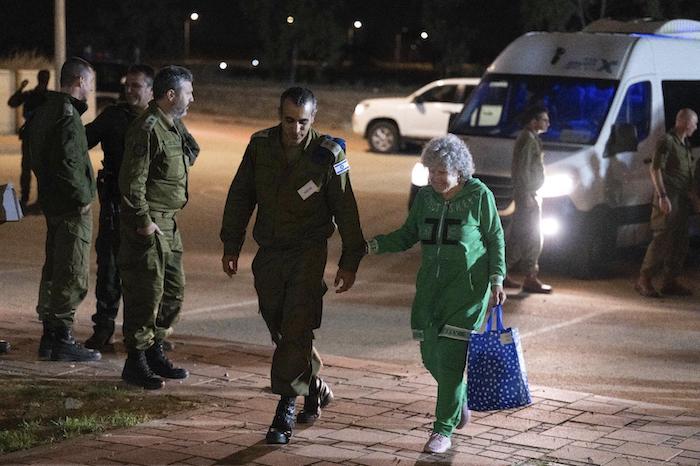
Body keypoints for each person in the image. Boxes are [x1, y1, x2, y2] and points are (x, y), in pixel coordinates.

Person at [220, 87, 365, 445]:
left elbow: (346, 208)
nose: (295, 129)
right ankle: (313, 385)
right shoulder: (260, 146)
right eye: (289, 120)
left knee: (297, 323)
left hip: (308, 251)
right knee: (281, 325)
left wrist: (349, 260)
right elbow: (241, 195)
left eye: (303, 122)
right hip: (269, 252)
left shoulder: (328, 154)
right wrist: (231, 243)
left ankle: (286, 406)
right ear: (279, 115)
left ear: (313, 119)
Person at [366, 134, 506, 454]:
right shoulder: (426, 197)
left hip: (468, 292)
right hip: (430, 289)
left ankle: (443, 430)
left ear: (460, 171)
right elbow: (407, 235)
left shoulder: (478, 195)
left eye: (443, 171)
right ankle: (458, 400)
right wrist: (370, 246)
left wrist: (497, 279)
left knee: (451, 360)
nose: (436, 178)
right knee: (432, 357)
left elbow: (495, 237)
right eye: (431, 171)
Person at [83, 65, 199, 353]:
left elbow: (190, 150)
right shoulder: (121, 118)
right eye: (129, 85)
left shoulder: (169, 123)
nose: (131, 91)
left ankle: (152, 342)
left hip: (156, 214)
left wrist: (168, 170)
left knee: (159, 285)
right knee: (115, 273)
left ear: (151, 90)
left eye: (137, 86)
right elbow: (84, 142)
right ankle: (109, 331)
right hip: (122, 208)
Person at [118, 65, 196, 389]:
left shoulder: (173, 125)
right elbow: (131, 182)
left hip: (170, 223)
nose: (193, 98)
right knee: (145, 294)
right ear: (171, 95)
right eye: (189, 92)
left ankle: (154, 350)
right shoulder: (147, 128)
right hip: (150, 225)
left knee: (173, 292)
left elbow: (190, 153)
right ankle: (135, 361)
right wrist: (144, 222)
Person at [24, 57, 101, 362]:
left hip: (53, 203)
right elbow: (69, 162)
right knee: (72, 271)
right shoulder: (67, 116)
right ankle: (62, 338)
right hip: (70, 208)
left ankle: (49, 337)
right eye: (91, 82)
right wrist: (82, 198)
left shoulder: (45, 110)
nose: (92, 89)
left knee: (54, 269)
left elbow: (36, 154)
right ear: (80, 81)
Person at [635, 108, 698, 297]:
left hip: (682, 201)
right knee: (662, 240)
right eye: (695, 123)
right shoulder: (667, 141)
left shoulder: (684, 145)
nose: (696, 127)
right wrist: (662, 196)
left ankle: (670, 281)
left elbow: (685, 175)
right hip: (669, 199)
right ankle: (644, 280)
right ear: (686, 123)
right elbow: (655, 170)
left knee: (680, 242)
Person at [503, 105, 552, 293]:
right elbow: (521, 169)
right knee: (532, 237)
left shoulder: (531, 139)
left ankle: (501, 275)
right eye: (544, 120)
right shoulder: (527, 140)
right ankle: (530, 277)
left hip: (530, 195)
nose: (548, 123)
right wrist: (526, 196)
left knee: (518, 236)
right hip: (528, 197)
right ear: (534, 121)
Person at [7, 69, 50, 212]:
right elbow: (12, 103)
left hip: (33, 136)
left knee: (28, 169)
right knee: (40, 170)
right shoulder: (49, 97)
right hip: (41, 137)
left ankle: (25, 200)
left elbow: (12, 102)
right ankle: (38, 201)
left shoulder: (32, 95)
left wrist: (21, 88)